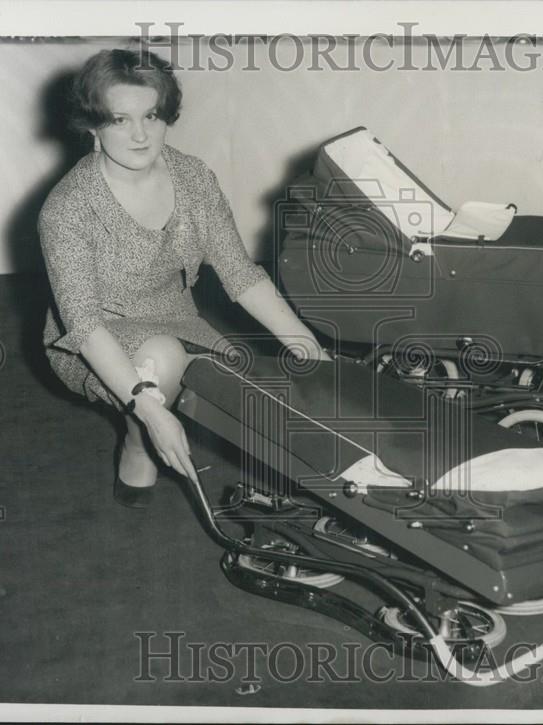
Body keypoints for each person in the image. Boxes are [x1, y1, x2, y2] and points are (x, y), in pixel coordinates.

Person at [39, 48, 329, 508]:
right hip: (97, 334)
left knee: (243, 383)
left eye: (152, 115)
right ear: (93, 126)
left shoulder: (192, 177)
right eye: (119, 120)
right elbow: (85, 326)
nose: (140, 134)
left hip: (176, 315)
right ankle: (136, 442)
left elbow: (239, 272)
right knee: (163, 360)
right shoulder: (68, 208)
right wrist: (153, 417)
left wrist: (304, 343)